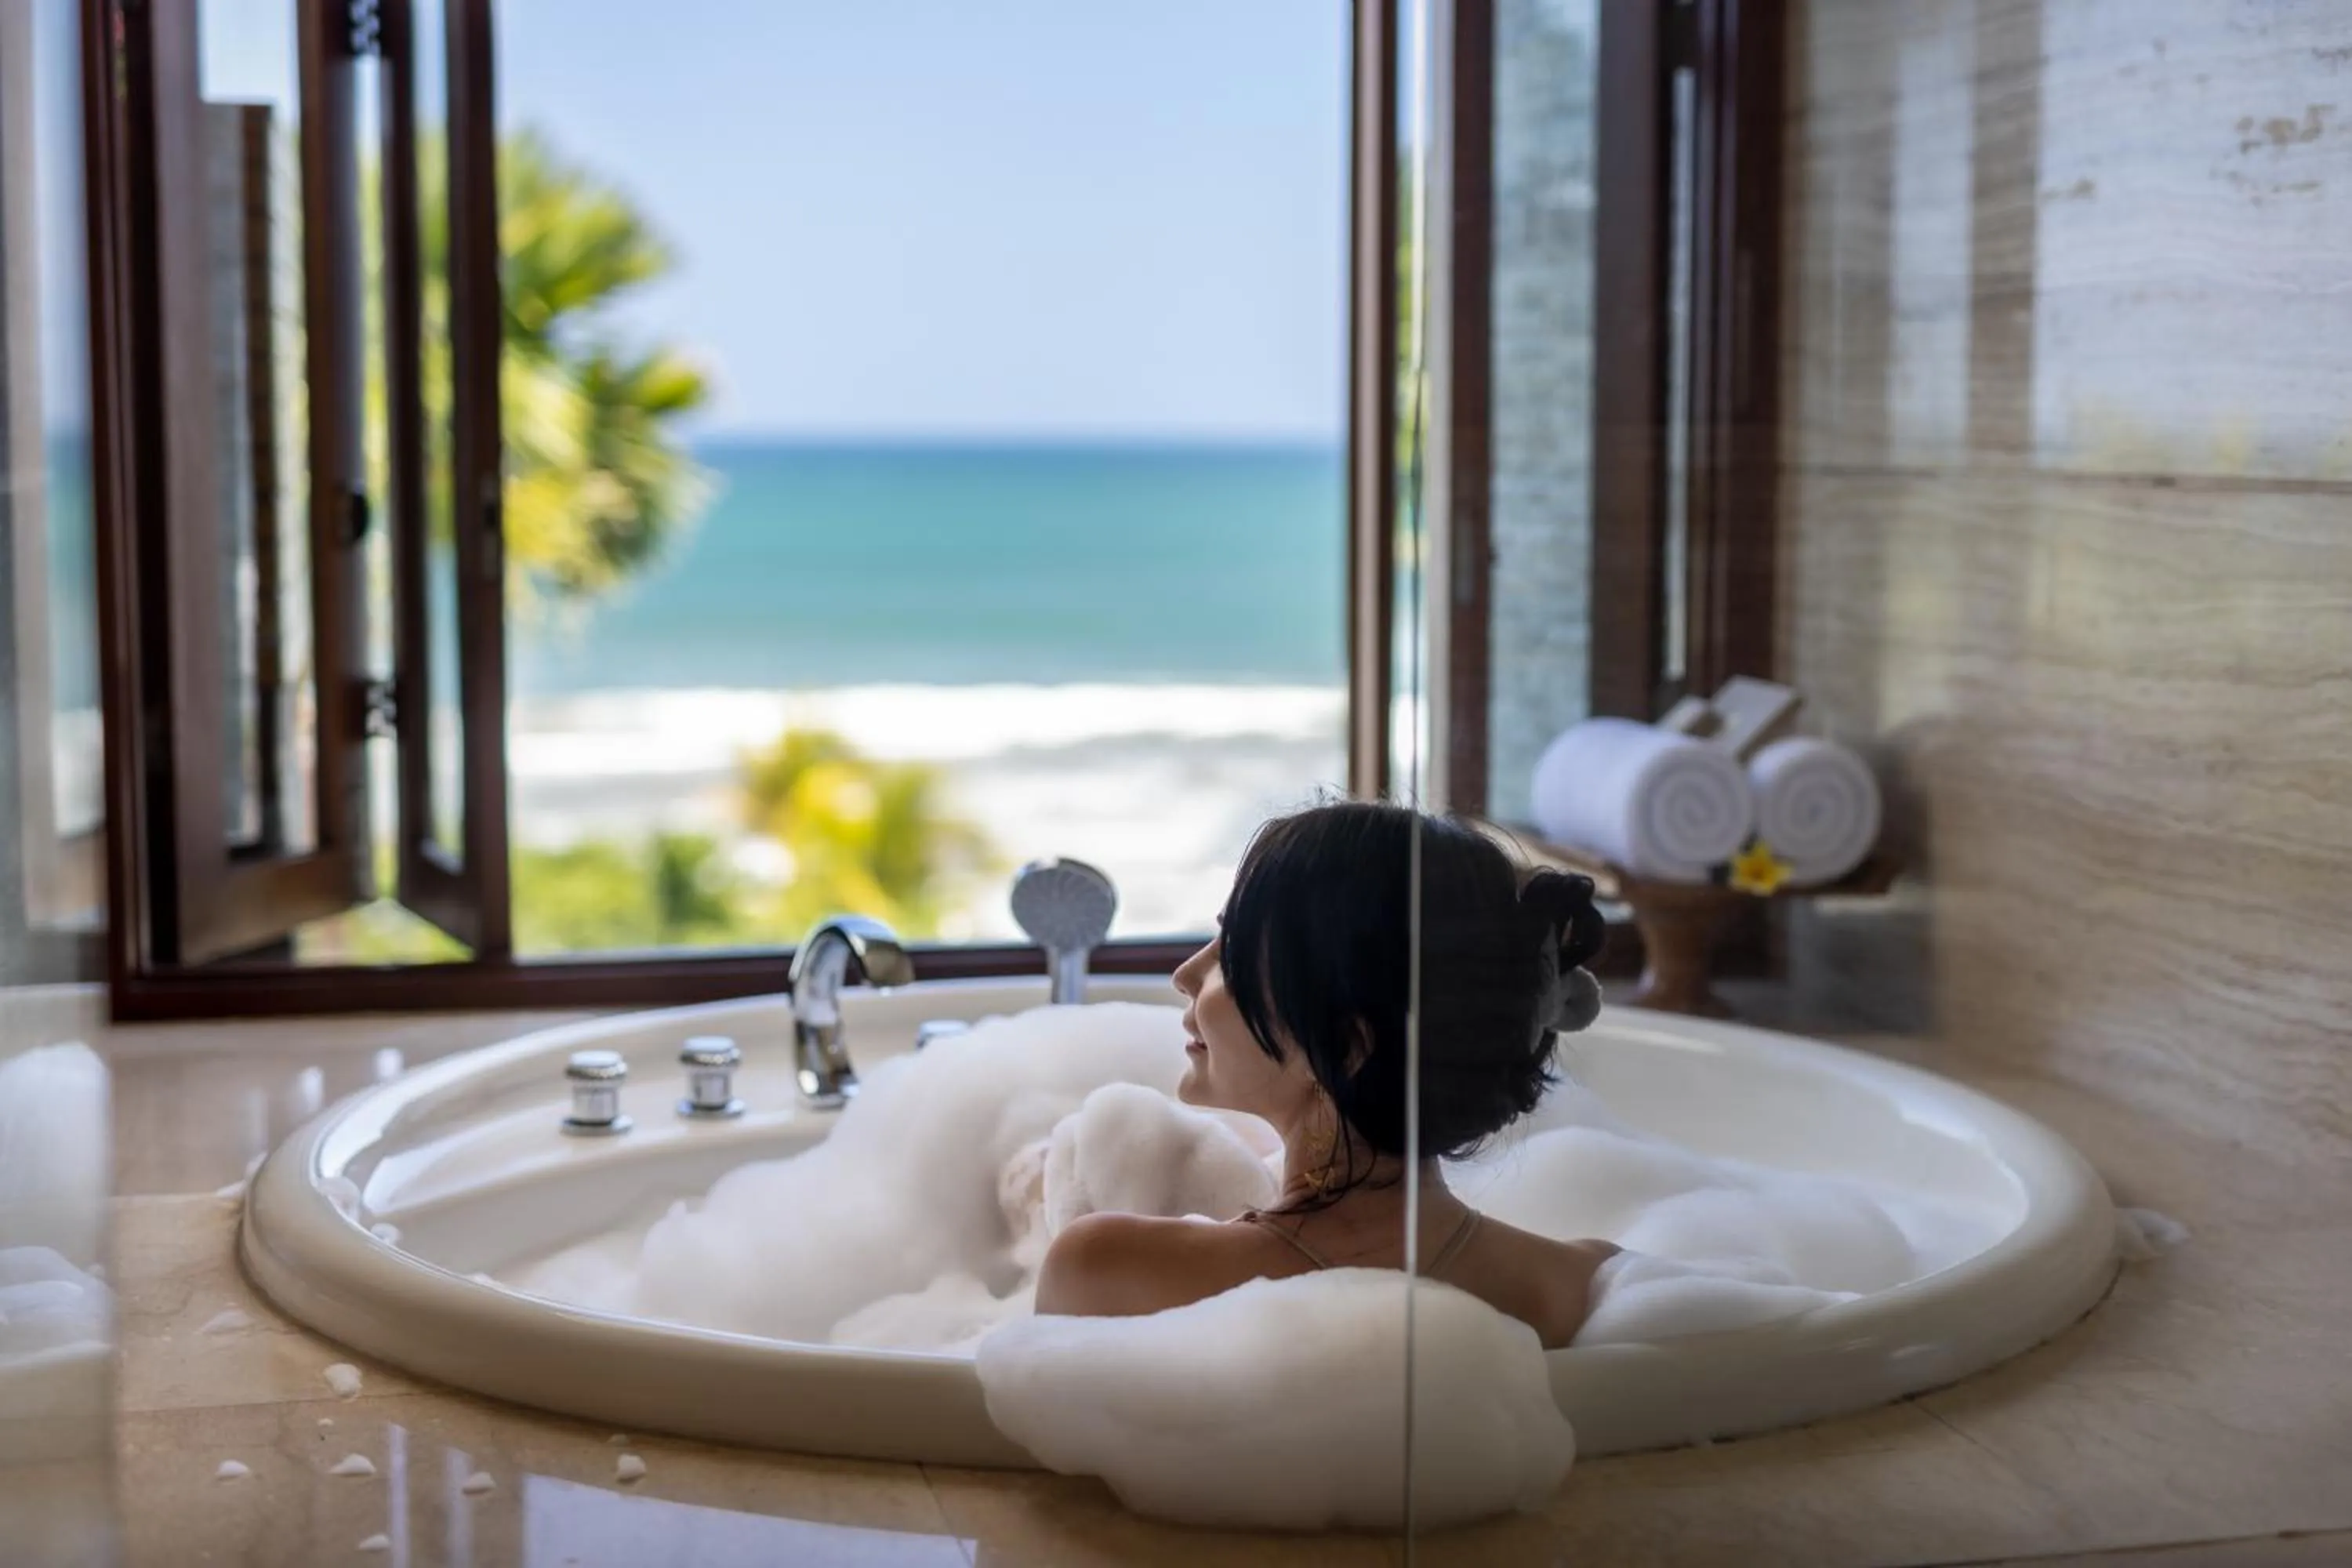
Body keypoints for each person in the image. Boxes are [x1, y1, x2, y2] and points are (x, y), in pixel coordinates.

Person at [1035, 800, 1621, 1348]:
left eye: (1231, 952)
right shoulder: (1583, 1284)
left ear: (1345, 1046)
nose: (1187, 974)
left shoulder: (1107, 1271)